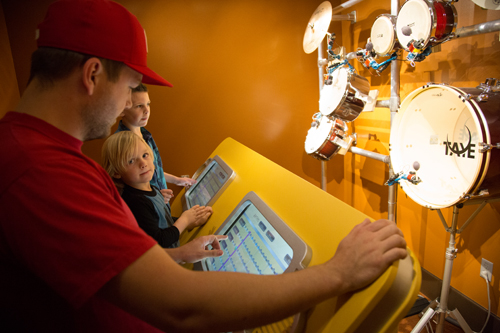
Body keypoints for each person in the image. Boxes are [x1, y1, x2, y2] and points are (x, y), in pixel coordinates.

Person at [0, 0, 408, 332]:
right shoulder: (40, 172)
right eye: (127, 88)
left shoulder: (41, 151)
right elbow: (183, 307)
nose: (127, 105)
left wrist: (178, 256)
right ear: (92, 74)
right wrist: (338, 272)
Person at [102, 130, 212, 248]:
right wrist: (184, 220)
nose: (143, 163)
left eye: (145, 155)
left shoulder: (151, 188)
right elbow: (159, 240)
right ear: (116, 172)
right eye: (131, 161)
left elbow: (163, 223)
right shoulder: (135, 202)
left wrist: (189, 222)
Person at [116, 83, 195, 204]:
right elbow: (128, 188)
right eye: (139, 106)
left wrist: (177, 180)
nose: (146, 111)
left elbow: (153, 169)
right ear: (121, 110)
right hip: (149, 208)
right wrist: (154, 196)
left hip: (159, 202)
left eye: (148, 104)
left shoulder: (144, 134)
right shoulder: (123, 143)